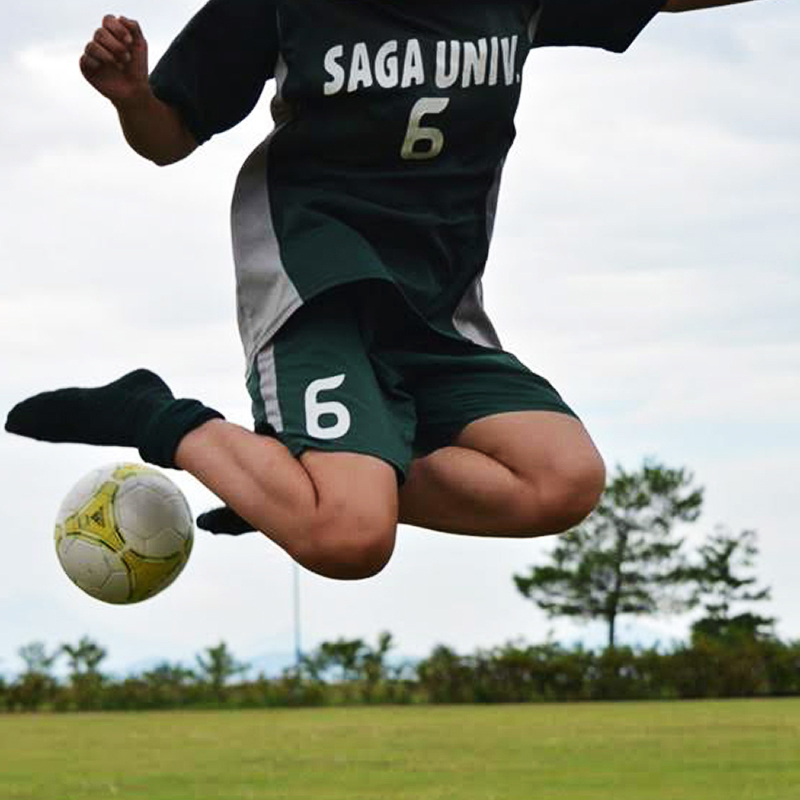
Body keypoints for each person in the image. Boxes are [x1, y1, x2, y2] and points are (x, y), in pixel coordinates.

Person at [5, 0, 761, 580]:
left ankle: (292, 482)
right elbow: (168, 139)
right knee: (350, 541)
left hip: (437, 305)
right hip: (316, 284)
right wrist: (131, 95)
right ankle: (161, 415)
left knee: (563, 482)